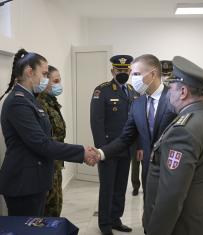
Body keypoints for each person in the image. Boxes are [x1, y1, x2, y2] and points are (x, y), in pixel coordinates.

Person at [0, 49, 98, 216]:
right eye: (44, 74)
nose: (46, 79)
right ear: (30, 72)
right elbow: (41, 143)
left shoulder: (30, 98)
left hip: (35, 179)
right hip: (24, 183)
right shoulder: (19, 102)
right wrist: (81, 152)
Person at [144, 56, 203, 235]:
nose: (168, 94)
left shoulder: (184, 130)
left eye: (170, 89)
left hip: (185, 225)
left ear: (183, 92)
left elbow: (171, 195)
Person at [97, 54, 176, 197]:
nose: (133, 78)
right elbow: (126, 137)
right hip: (148, 171)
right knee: (148, 212)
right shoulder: (137, 103)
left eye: (137, 74)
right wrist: (101, 153)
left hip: (172, 170)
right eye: (133, 74)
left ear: (152, 74)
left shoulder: (174, 99)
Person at [90, 55, 138, 235]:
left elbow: (137, 122)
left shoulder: (132, 91)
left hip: (127, 149)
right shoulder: (102, 91)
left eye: (126, 70)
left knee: (120, 187)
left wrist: (138, 147)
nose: (123, 73)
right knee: (107, 188)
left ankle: (116, 219)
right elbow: (96, 122)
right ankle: (104, 224)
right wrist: (102, 149)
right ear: (112, 71)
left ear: (130, 71)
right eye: (119, 70)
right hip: (108, 148)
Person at [36, 65, 65, 217]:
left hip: (56, 162)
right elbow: (44, 138)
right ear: (45, 81)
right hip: (47, 164)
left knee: (56, 205)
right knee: (48, 209)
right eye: (56, 80)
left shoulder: (51, 101)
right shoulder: (39, 103)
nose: (59, 83)